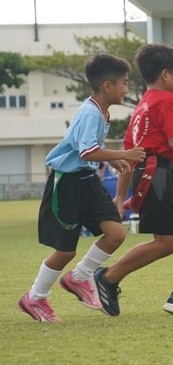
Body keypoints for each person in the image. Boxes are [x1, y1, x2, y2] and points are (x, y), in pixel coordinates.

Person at [95, 43, 173, 317]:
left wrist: (120, 195)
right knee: (165, 242)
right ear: (165, 75)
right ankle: (108, 277)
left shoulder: (142, 106)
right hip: (157, 175)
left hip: (155, 175)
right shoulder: (168, 100)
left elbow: (129, 157)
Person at [18, 54, 146, 323]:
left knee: (115, 233)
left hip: (88, 182)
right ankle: (35, 298)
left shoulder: (102, 111)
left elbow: (90, 153)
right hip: (67, 184)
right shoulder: (89, 112)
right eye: (124, 83)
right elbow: (87, 151)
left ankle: (78, 277)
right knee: (65, 250)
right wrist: (125, 154)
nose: (127, 89)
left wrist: (118, 159)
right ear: (108, 86)